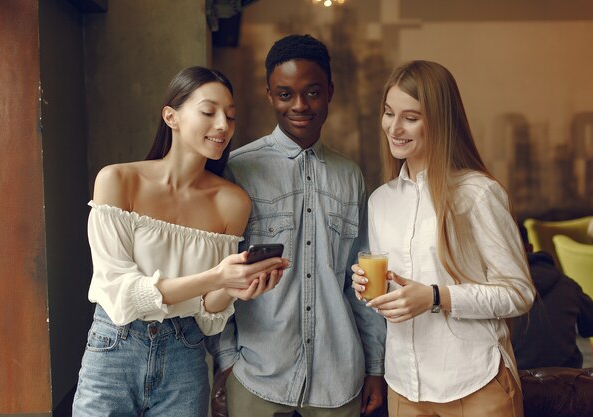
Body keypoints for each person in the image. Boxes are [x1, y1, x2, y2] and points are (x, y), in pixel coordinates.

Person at [72, 66, 288, 417]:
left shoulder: (232, 202)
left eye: (230, 117)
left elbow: (207, 314)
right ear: (170, 116)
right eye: (208, 112)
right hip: (114, 349)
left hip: (184, 354)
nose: (223, 125)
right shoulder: (118, 180)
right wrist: (218, 277)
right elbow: (122, 292)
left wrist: (235, 286)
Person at [207, 34, 387, 417]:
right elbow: (217, 272)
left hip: (338, 379)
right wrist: (226, 360)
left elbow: (364, 281)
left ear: (330, 93)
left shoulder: (350, 176)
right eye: (286, 94)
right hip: (257, 375)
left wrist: (375, 367)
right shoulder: (237, 169)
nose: (300, 106)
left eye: (313, 92)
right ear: (269, 94)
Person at [351, 60, 536, 417]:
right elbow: (392, 290)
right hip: (405, 389)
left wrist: (436, 297)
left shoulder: (478, 195)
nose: (395, 127)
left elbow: (519, 293)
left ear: (439, 120)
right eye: (389, 113)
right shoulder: (380, 201)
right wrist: (369, 288)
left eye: (411, 117)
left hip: (475, 383)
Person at [512, 227, 593, 369]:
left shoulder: (486, 297)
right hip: (570, 384)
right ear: (530, 248)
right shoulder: (565, 283)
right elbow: (589, 326)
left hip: (516, 386)